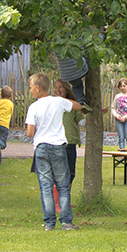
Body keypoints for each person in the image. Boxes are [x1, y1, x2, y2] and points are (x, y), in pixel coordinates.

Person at [25, 72, 81, 231]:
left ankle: (49, 223)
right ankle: (66, 222)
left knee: (46, 186)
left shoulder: (33, 107)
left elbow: (30, 133)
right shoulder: (58, 102)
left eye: (30, 88)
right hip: (58, 146)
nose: (30, 91)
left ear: (37, 88)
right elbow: (76, 106)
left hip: (41, 148)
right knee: (63, 185)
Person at [52, 79, 85, 213]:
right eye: (55, 87)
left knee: (70, 173)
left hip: (70, 142)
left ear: (66, 89)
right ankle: (56, 204)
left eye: (60, 87)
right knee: (59, 174)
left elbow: (82, 121)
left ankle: (65, 201)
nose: (58, 90)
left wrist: (96, 116)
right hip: (57, 143)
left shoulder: (72, 105)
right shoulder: (52, 103)